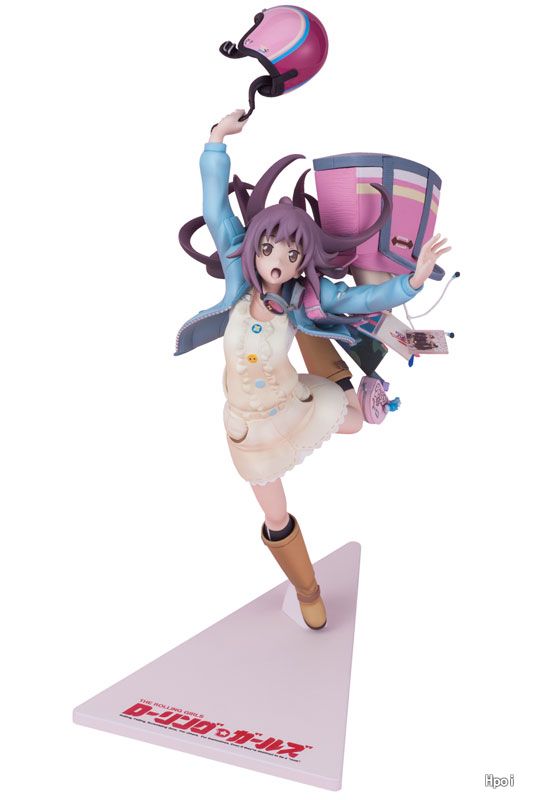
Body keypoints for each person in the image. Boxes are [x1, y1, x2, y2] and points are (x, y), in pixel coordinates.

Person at [176, 110, 451, 629]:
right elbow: (215, 210)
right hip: (249, 427)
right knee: (274, 514)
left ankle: (358, 391)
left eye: (292, 252)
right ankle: (308, 591)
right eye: (268, 247)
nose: (277, 259)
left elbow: (363, 298)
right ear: (253, 246)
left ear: (304, 259)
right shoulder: (239, 276)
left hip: (294, 404)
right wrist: (215, 143)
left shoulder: (307, 296)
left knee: (355, 421)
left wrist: (411, 283)